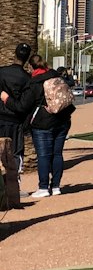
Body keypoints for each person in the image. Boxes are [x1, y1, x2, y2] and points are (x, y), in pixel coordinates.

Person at [1, 52, 75, 198]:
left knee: (43, 155)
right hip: (63, 121)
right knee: (57, 154)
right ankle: (56, 187)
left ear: (31, 66)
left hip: (43, 124)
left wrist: (6, 99)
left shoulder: (34, 83)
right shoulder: (56, 76)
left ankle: (43, 187)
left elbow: (22, 106)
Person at [0, 42, 33, 172]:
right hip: (15, 122)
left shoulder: (2, 72)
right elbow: (23, 106)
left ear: (15, 54)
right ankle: (14, 186)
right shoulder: (27, 79)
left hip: (2, 117)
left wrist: (6, 99)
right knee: (15, 154)